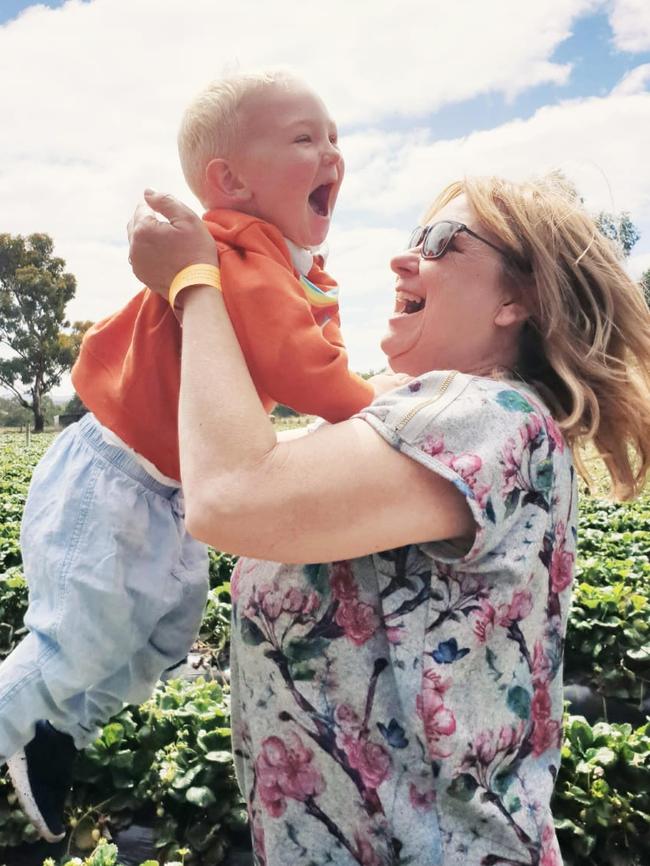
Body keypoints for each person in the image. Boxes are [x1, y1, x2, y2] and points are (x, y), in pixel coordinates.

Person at [127, 174, 650, 866]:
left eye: (440, 244)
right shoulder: (413, 419)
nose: (404, 261)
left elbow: (227, 496)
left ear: (516, 298)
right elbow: (223, 457)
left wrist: (195, 283)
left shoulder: (486, 417)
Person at [0, 68, 397, 843]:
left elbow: (308, 341)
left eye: (336, 138)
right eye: (305, 139)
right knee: (75, 638)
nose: (332, 154)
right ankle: (21, 721)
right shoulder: (234, 247)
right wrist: (386, 413)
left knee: (163, 636)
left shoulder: (283, 265)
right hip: (113, 480)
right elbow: (301, 365)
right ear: (231, 182)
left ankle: (52, 736)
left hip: (168, 493)